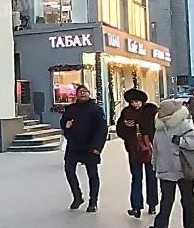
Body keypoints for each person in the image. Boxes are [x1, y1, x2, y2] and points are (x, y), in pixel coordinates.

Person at [148, 99, 194, 228]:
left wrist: (181, 142)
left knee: (187, 199)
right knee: (166, 200)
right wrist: (155, 164)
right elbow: (156, 149)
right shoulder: (159, 128)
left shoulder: (182, 125)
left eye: (162, 109)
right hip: (165, 169)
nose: (159, 111)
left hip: (183, 169)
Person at [60, 85, 108, 213]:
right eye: (80, 92)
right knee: (69, 170)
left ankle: (93, 202)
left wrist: (98, 147)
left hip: (90, 146)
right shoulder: (71, 109)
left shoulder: (96, 109)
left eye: (85, 91)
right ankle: (77, 196)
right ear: (76, 95)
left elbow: (102, 129)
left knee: (92, 174)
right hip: (74, 146)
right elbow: (63, 123)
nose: (83, 94)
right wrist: (66, 126)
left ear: (89, 93)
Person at [115, 89, 159, 218]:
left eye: (137, 101)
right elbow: (120, 131)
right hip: (134, 149)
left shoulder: (150, 110)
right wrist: (125, 125)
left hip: (150, 148)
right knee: (136, 177)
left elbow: (157, 128)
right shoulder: (126, 112)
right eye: (132, 102)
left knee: (151, 177)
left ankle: (152, 205)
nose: (135, 104)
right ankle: (136, 206)